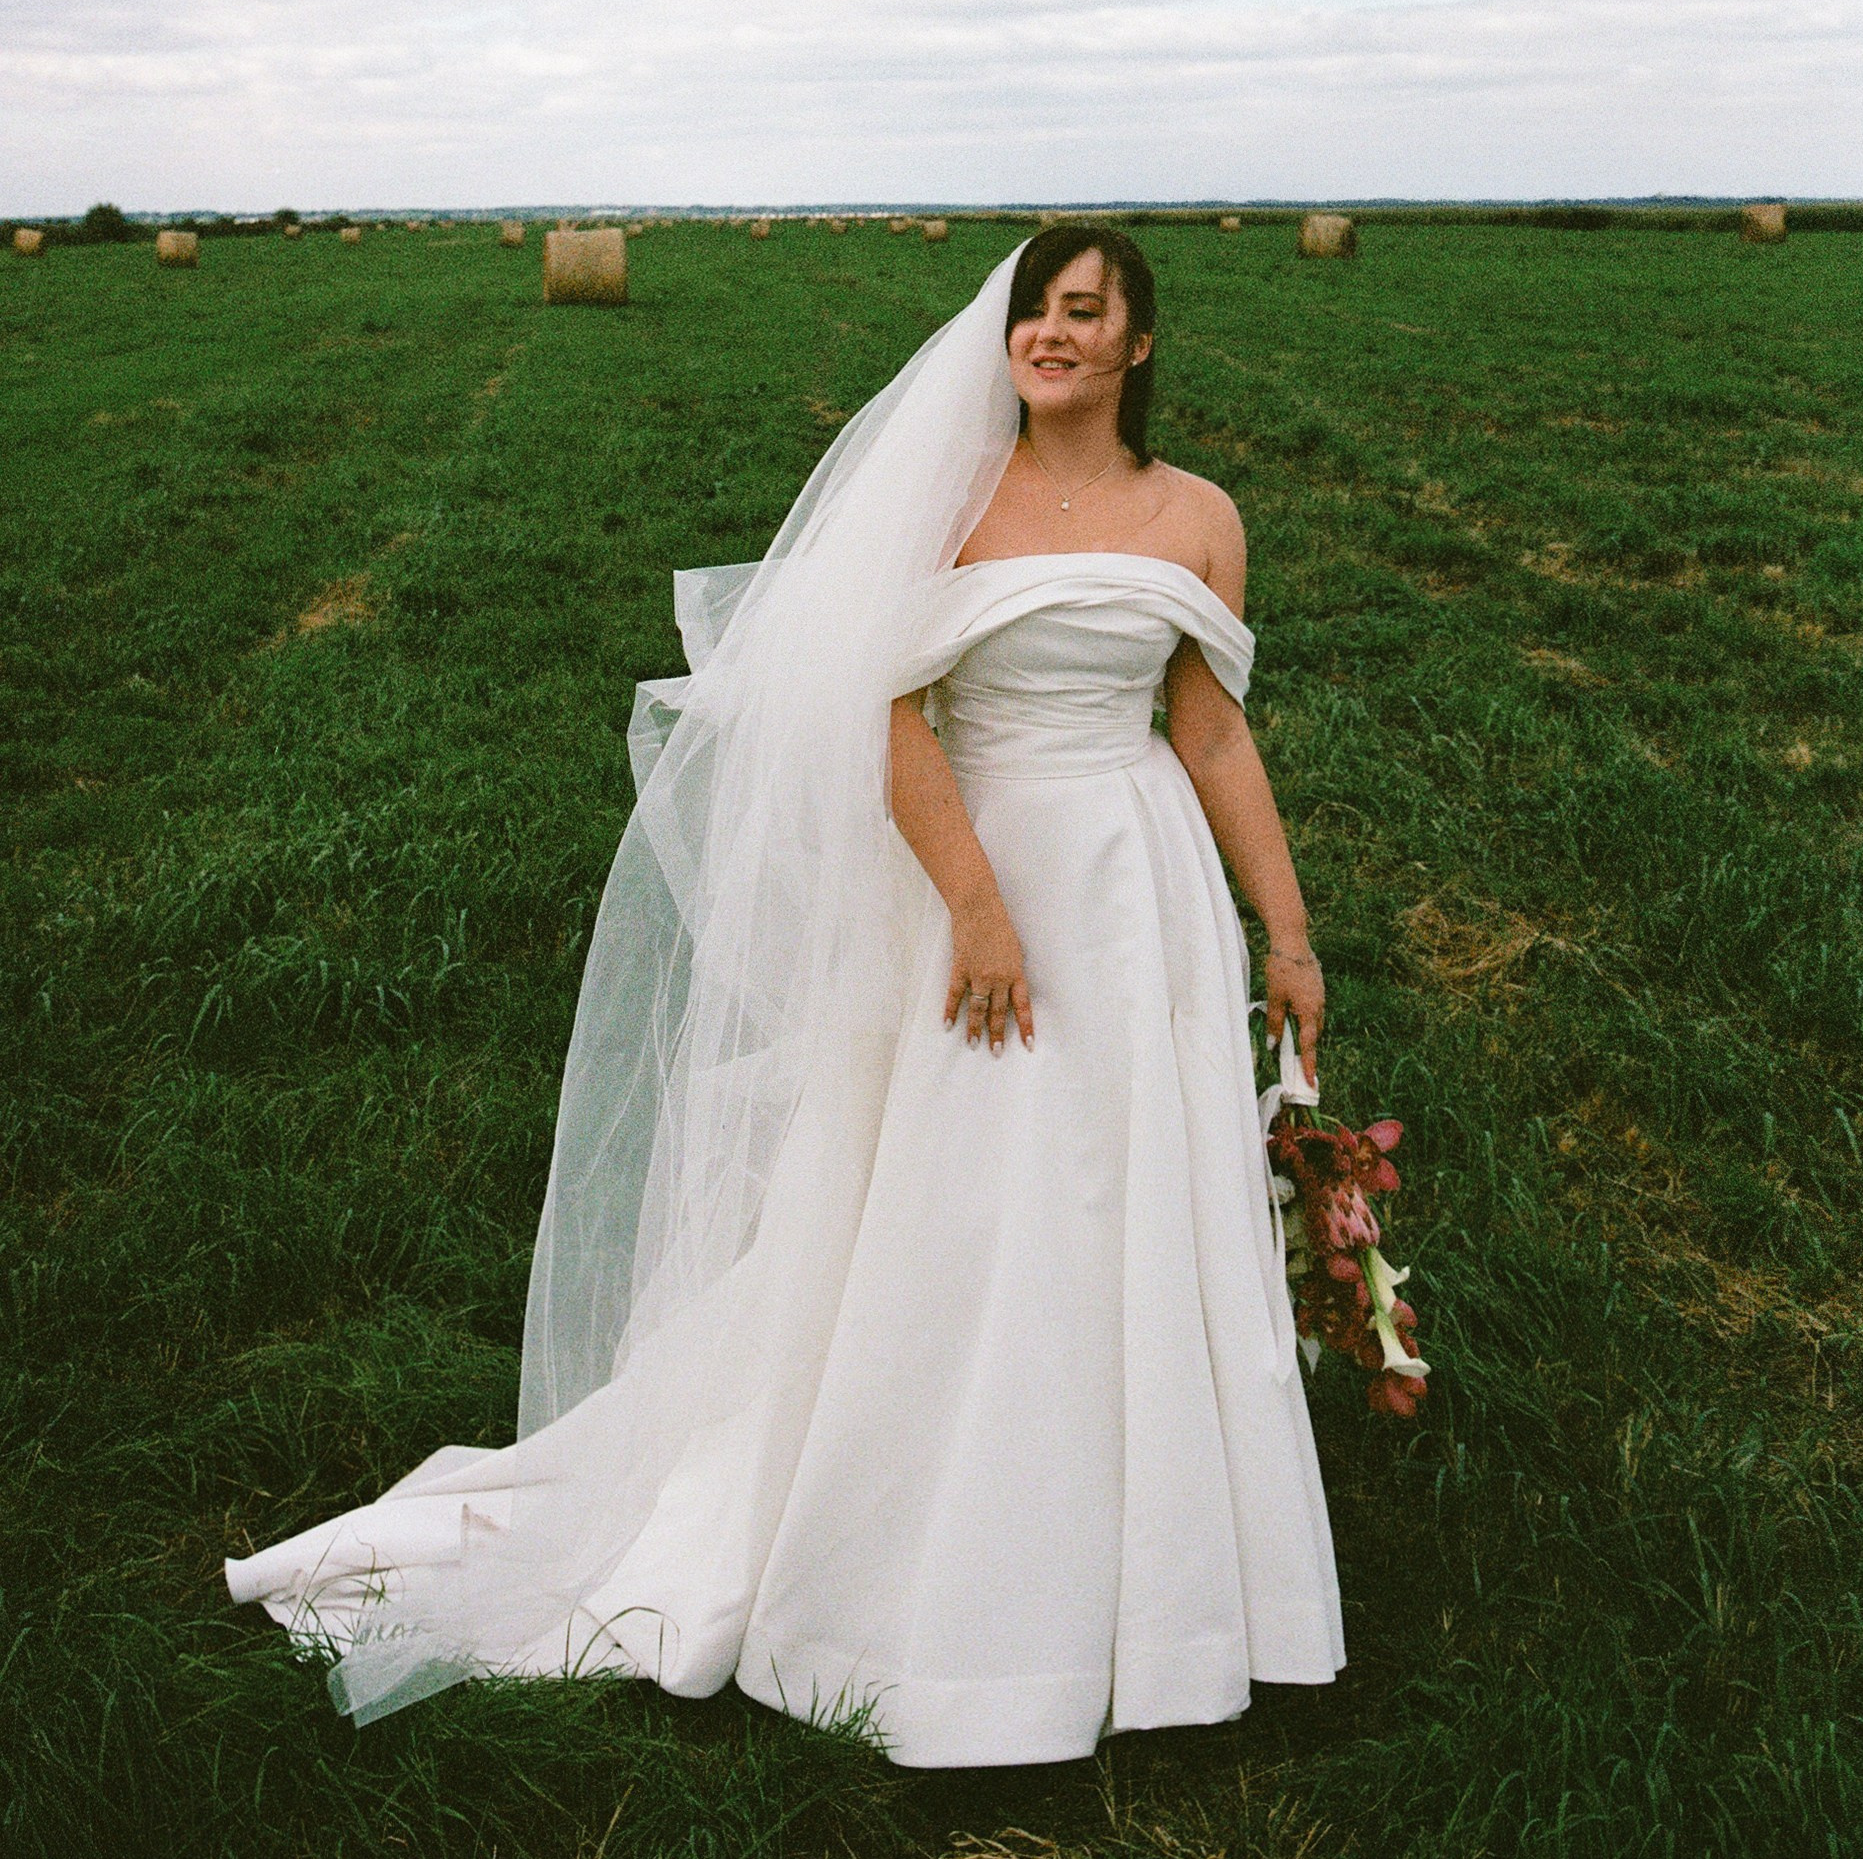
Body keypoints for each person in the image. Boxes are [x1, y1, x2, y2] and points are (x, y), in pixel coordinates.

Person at [225, 225, 1343, 1763]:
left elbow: (1211, 733)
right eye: (1035, 310)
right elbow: (884, 709)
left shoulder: (1200, 517)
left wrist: (1284, 933)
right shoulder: (953, 500)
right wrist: (974, 904)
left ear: (1141, 344)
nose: (1052, 334)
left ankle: (1167, 1599)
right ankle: (950, 1589)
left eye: (1088, 313)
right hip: (990, 882)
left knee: (1138, 1207)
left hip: (1141, 893)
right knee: (985, 1212)